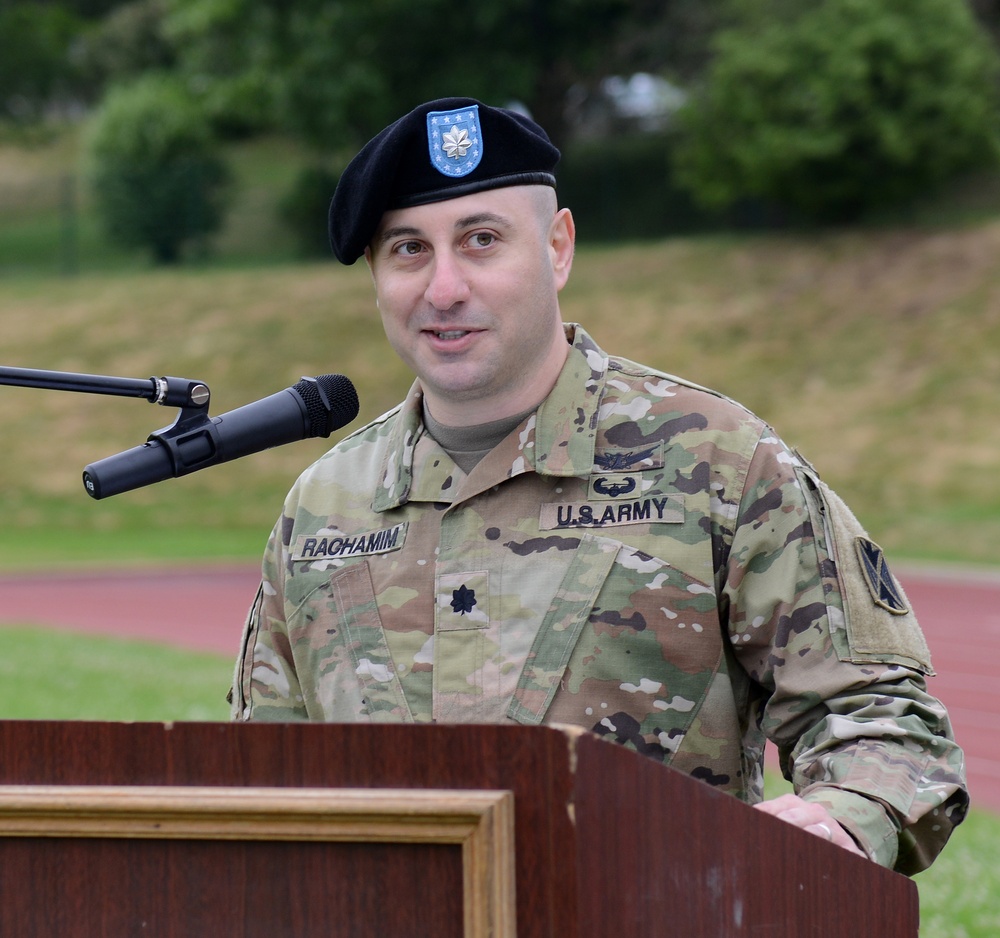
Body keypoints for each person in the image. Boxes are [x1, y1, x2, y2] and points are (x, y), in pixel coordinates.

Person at [231, 97, 968, 874]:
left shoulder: (715, 461)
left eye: (482, 241)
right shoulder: (324, 505)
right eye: (409, 249)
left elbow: (882, 717)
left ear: (558, 248)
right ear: (377, 278)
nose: (444, 287)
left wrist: (840, 819)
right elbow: (260, 771)